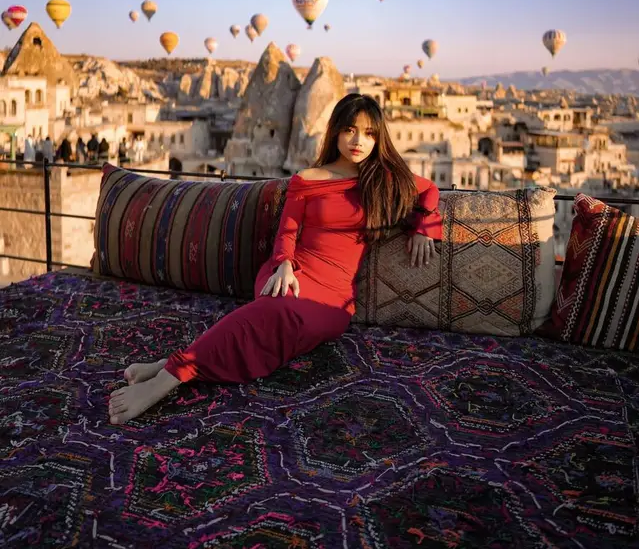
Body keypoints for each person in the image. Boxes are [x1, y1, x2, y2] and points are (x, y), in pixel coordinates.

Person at [108, 93, 443, 425]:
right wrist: (284, 264)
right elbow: (288, 230)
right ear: (336, 131)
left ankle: (168, 365)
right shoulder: (307, 179)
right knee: (270, 312)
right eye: (350, 130)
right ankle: (166, 381)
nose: (358, 141)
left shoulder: (382, 179)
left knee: (274, 323)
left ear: (379, 138)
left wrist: (424, 228)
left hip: (335, 296)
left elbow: (429, 190)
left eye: (369, 133)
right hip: (292, 270)